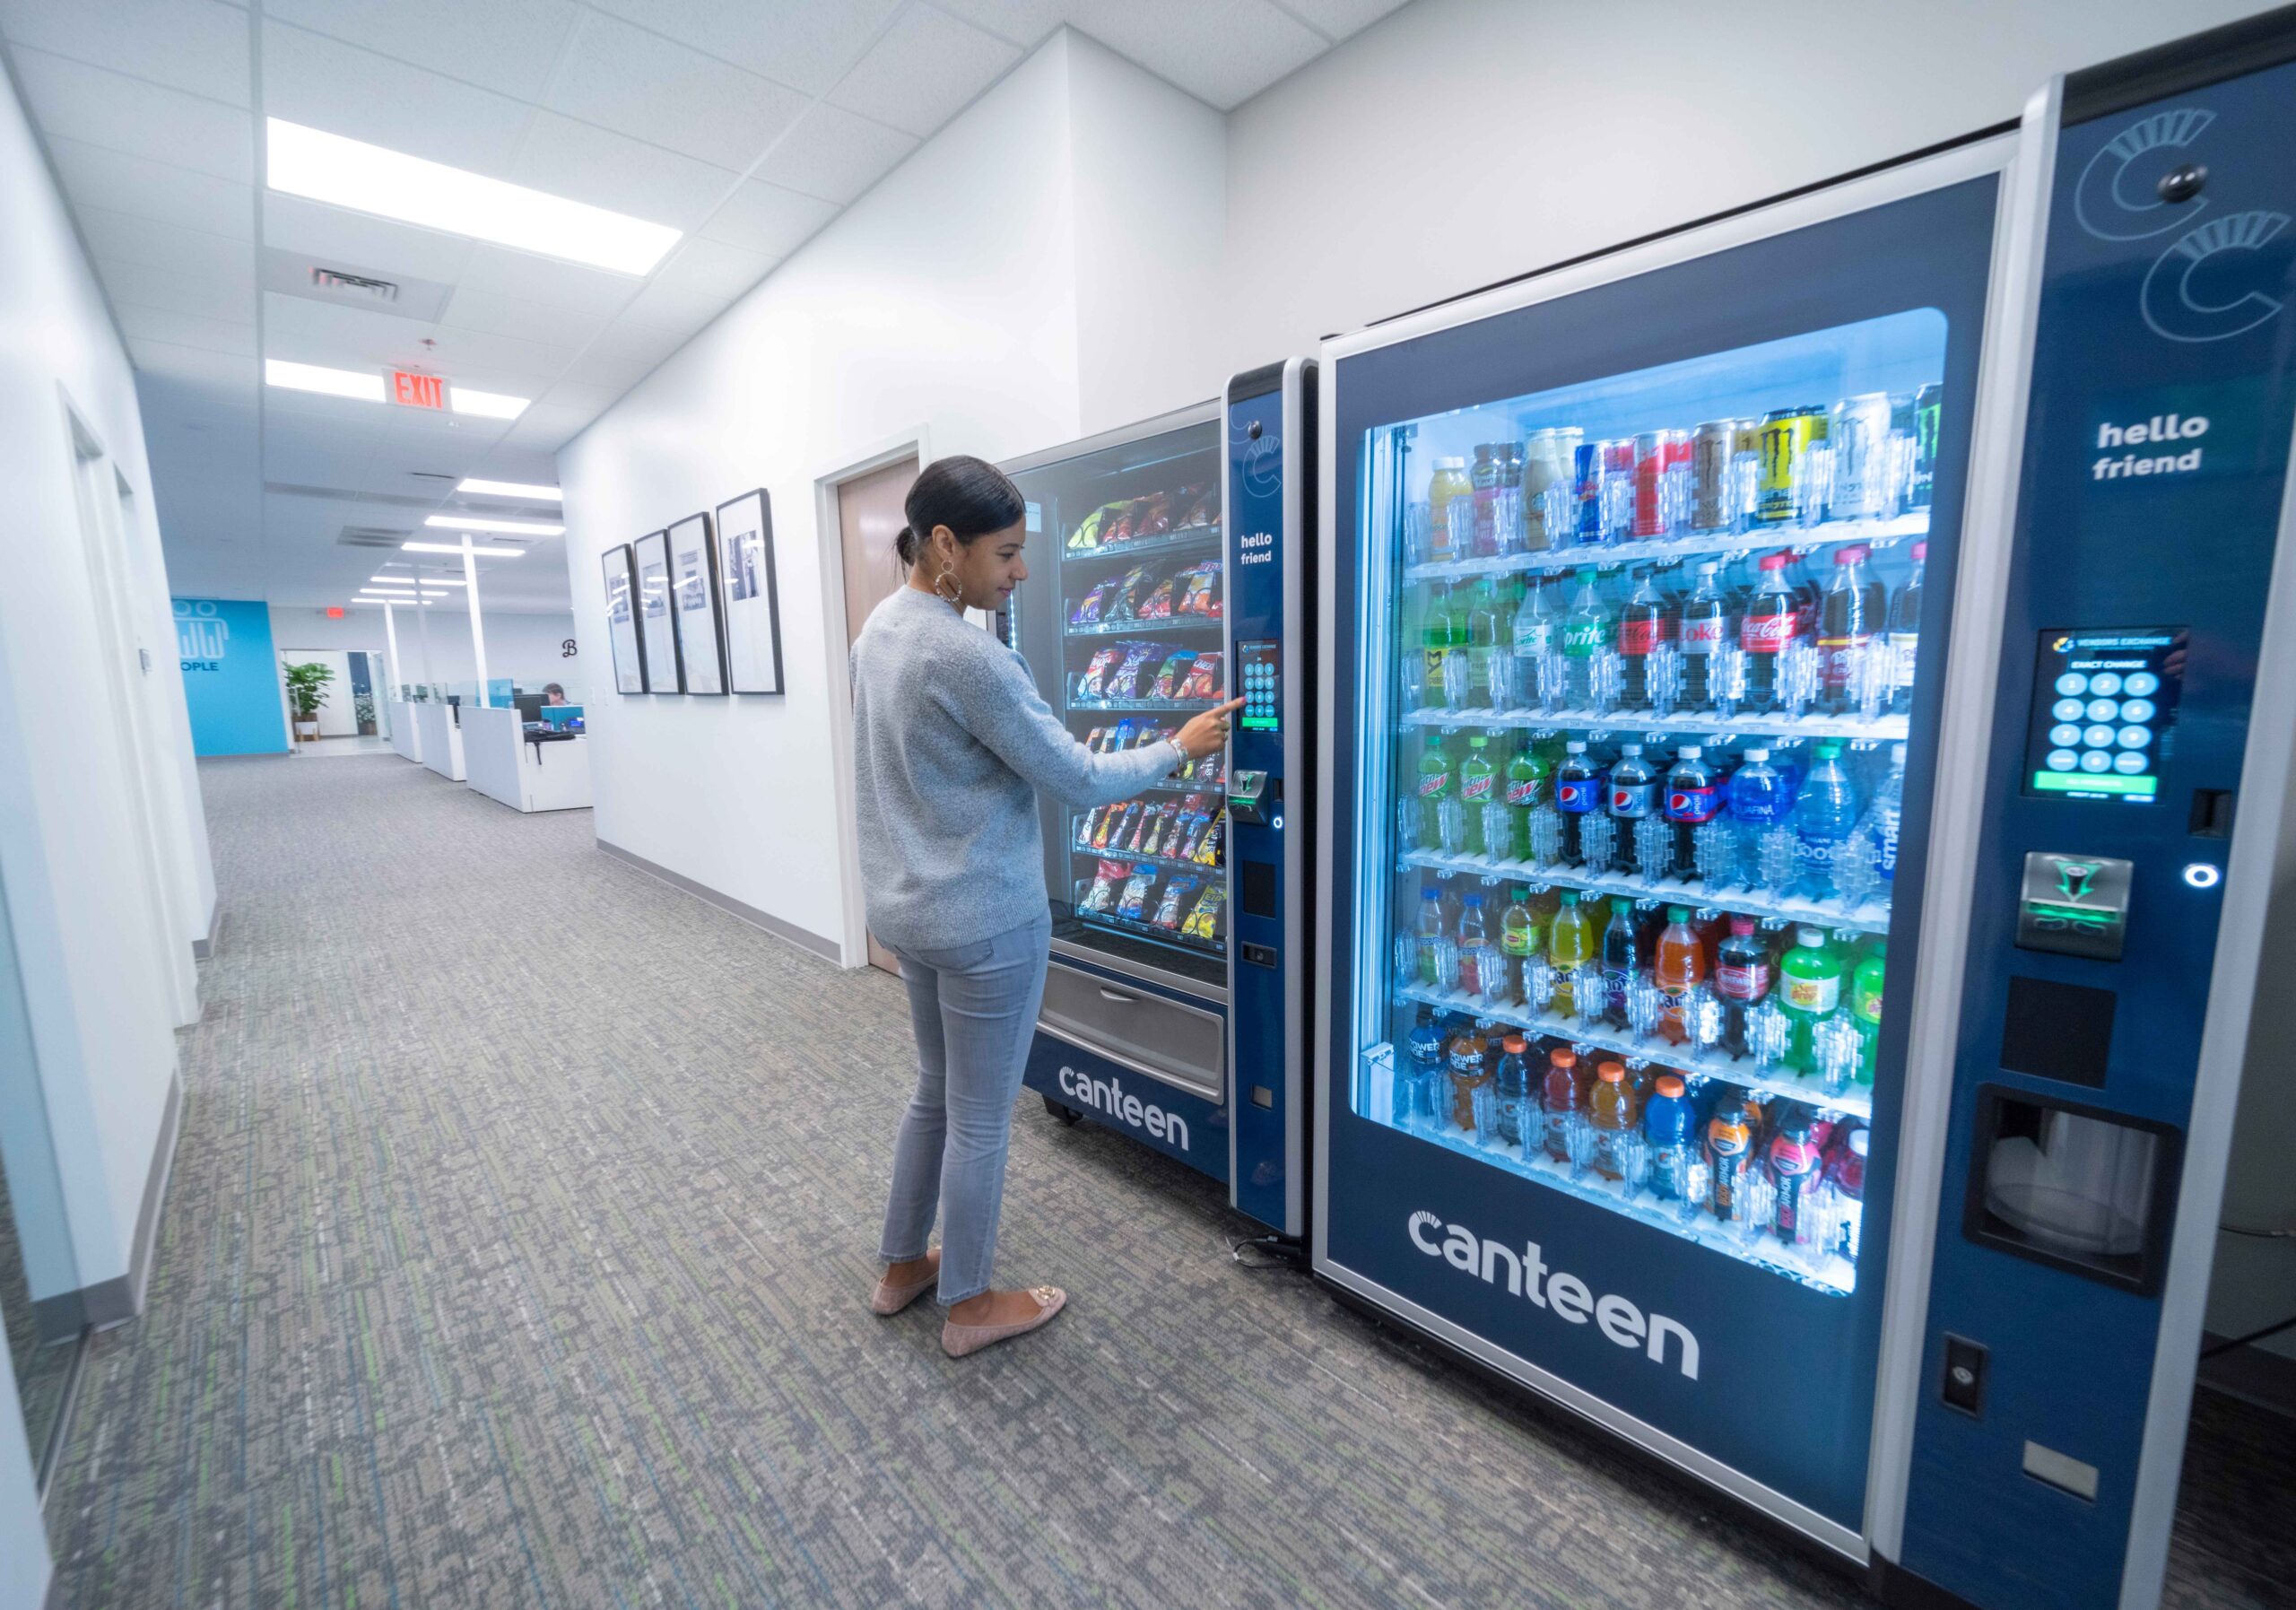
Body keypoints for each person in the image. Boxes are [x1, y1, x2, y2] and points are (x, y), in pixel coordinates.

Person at [850, 456, 1239, 1358]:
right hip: (986, 922)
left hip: (911, 913)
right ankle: (972, 1301)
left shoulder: (880, 630)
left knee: (935, 1095)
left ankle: (902, 1264)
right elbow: (1078, 777)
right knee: (981, 1116)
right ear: (945, 544)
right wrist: (1177, 747)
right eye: (1007, 554)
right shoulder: (968, 653)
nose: (1020, 572)